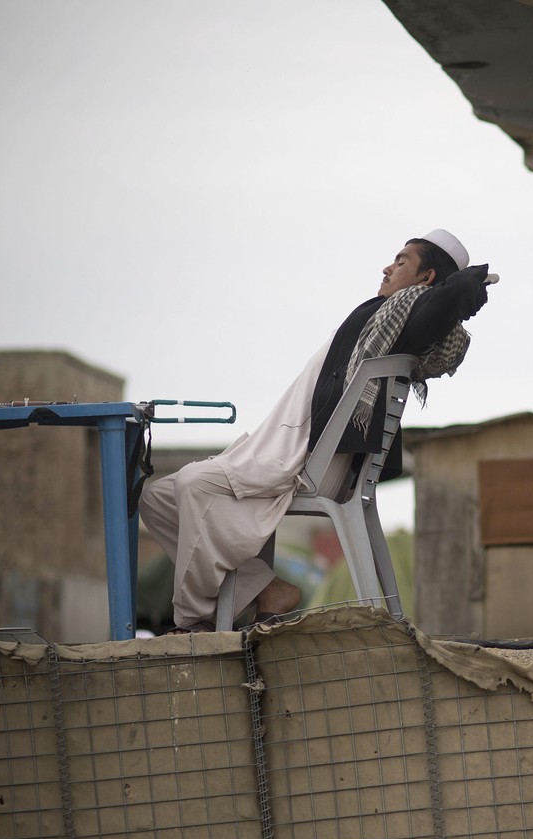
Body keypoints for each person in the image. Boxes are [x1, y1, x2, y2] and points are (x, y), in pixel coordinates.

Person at [141, 229, 491, 633]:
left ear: (425, 279)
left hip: (311, 460)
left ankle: (195, 621)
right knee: (157, 498)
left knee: (194, 485)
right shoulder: (384, 317)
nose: (386, 268)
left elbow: (444, 304)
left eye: (400, 261)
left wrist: (467, 281)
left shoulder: (403, 312)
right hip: (286, 449)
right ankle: (267, 591)